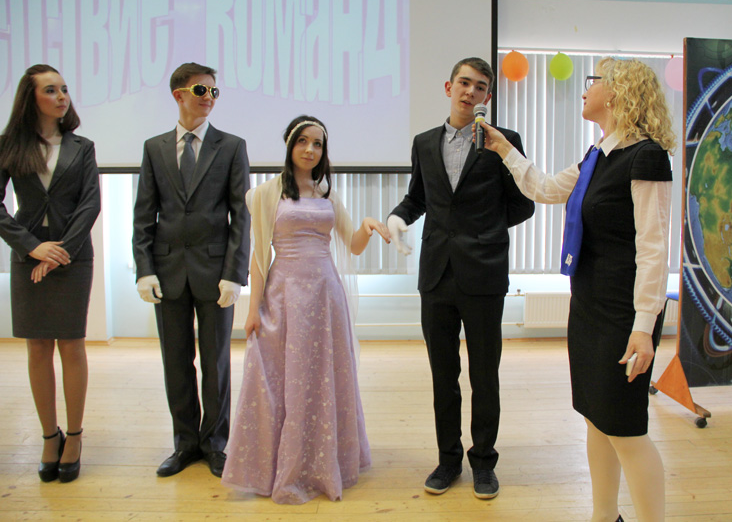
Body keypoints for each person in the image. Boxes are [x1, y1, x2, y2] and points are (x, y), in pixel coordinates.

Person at [477, 57, 675, 522]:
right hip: (588, 305)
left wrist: (643, 327)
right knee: (596, 416)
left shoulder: (646, 157)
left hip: (624, 314)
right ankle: (604, 516)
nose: (586, 90)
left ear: (619, 91)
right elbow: (545, 188)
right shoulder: (597, 155)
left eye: (594, 81)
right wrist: (504, 148)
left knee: (624, 428)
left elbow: (653, 250)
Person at [387, 57, 535, 499]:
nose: (471, 92)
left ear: (488, 95)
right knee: (443, 375)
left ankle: (484, 462)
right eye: (464, 83)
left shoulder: (504, 141)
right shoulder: (424, 142)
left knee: (484, 375)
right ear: (448, 87)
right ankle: (448, 460)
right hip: (436, 274)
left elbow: (524, 202)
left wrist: (484, 230)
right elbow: (417, 198)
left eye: (480, 86)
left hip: (484, 272)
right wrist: (397, 218)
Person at [221, 116, 388, 504]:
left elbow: (353, 245)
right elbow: (259, 258)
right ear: (289, 144)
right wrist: (252, 308)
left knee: (323, 376)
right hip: (285, 293)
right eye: (303, 141)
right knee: (282, 378)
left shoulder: (328, 194)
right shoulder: (265, 194)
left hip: (326, 295)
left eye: (317, 144)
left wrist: (366, 225)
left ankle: (323, 462)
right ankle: (282, 466)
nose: (310, 149)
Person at [132, 62, 250, 478]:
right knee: (176, 362)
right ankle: (185, 444)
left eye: (214, 92)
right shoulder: (155, 148)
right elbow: (144, 214)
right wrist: (144, 269)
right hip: (167, 272)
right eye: (201, 90)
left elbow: (242, 215)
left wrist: (234, 273)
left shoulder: (231, 146)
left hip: (215, 272)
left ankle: (215, 444)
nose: (209, 98)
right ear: (178, 94)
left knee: (216, 363)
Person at [0, 64, 101, 483]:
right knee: (38, 347)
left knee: (72, 345)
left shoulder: (82, 146)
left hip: (73, 257)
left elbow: (90, 204)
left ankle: (74, 436)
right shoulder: (9, 145)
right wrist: (32, 246)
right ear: (31, 98)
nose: (61, 96)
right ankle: (48, 435)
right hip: (28, 257)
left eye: (64, 89)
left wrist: (59, 253)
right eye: (50, 90)